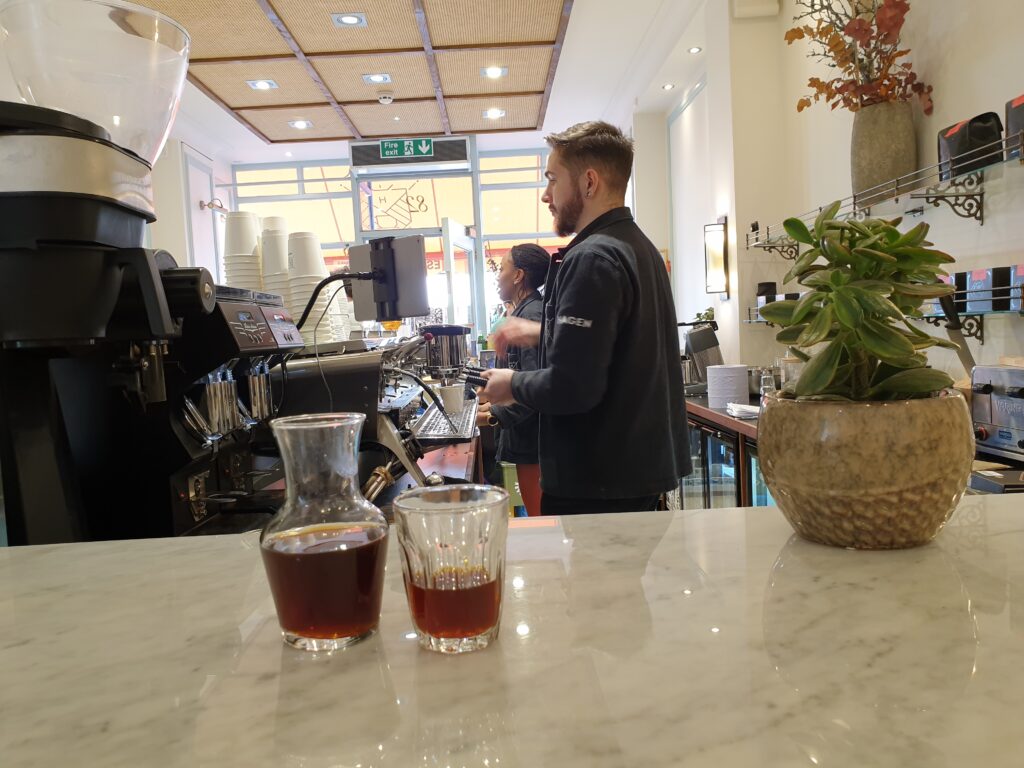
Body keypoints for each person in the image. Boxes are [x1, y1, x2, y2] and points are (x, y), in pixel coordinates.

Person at [477, 121, 690, 515]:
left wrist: (513, 384)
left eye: (552, 180)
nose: (546, 196)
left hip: (598, 481)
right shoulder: (638, 248)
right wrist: (544, 333)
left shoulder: (592, 257)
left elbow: (574, 387)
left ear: (589, 182)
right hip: (634, 470)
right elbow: (619, 344)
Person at [477, 244, 550, 516]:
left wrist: (491, 415)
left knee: (541, 520)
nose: (498, 276)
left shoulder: (530, 316)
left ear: (518, 275)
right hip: (529, 441)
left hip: (535, 444)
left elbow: (534, 387)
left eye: (503, 268)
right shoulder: (522, 314)